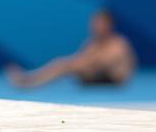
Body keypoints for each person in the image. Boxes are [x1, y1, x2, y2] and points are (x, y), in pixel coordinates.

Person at [7, 10, 136, 88]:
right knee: (62, 63)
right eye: (95, 22)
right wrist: (76, 63)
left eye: (100, 23)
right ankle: (29, 79)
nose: (96, 26)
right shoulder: (93, 42)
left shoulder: (118, 43)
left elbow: (102, 63)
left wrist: (77, 64)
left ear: (109, 25)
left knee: (65, 64)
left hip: (112, 79)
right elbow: (82, 58)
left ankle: (28, 80)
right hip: (95, 76)